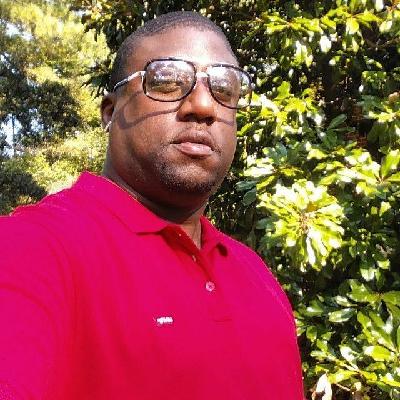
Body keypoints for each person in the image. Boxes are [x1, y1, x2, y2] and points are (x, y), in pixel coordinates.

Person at [0, 11, 304, 400]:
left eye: (224, 89)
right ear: (110, 112)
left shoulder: (256, 275)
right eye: (167, 80)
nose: (204, 106)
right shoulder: (32, 248)